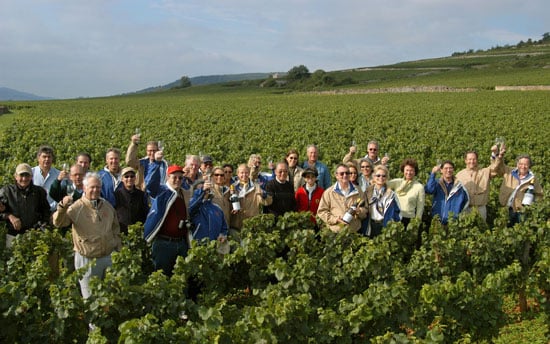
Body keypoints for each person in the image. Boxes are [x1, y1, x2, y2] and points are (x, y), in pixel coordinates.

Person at [52, 172, 121, 299]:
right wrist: (62, 207)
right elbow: (58, 223)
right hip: (87, 259)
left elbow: (115, 227)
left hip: (107, 257)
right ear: (84, 188)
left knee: (109, 296)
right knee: (90, 298)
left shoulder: (106, 206)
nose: (95, 190)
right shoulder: (76, 208)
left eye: (98, 187)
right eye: (92, 187)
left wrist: (116, 246)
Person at [143, 162, 191, 276]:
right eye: (174, 177)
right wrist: (156, 164)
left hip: (180, 243)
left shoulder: (184, 194)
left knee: (181, 276)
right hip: (164, 243)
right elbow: (150, 185)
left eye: (180, 178)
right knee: (161, 276)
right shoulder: (162, 191)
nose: (177, 180)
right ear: (168, 177)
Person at [0, 163, 50, 247]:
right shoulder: (6, 191)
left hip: (34, 235)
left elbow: (46, 211)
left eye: (27, 175)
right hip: (13, 236)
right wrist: (9, 216)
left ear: (31, 177)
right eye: (21, 175)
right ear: (15, 176)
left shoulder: (39, 192)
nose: (24, 178)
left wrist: (42, 226)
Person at [455, 146, 505, 221]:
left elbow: (496, 168)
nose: (472, 161)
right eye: (469, 159)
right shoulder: (459, 175)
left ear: (477, 160)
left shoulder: (485, 172)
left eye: (474, 159)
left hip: (480, 209)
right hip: (465, 209)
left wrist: (496, 154)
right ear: (465, 160)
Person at [317, 164, 367, 233]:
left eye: (347, 173)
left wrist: (359, 211)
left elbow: (365, 209)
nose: (345, 175)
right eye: (341, 174)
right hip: (336, 232)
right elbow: (322, 212)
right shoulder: (329, 192)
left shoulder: (358, 191)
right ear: (336, 176)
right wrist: (335, 219)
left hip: (354, 231)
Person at [498, 154, 543, 226]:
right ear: (517, 164)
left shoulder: (533, 179)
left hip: (521, 212)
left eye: (526, 164)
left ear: (529, 166)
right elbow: (498, 166)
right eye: (521, 164)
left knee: (519, 228)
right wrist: (499, 155)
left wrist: (532, 203)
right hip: (506, 208)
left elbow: (539, 194)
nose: (523, 166)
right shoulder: (509, 171)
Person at [425, 160, 469, 225]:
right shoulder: (437, 183)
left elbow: (466, 201)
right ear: (441, 170)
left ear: (453, 170)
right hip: (437, 220)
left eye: (450, 168)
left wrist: (459, 213)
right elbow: (429, 190)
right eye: (446, 168)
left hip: (454, 223)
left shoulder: (459, 186)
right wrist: (433, 174)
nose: (448, 170)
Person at [229, 164, 272, 231]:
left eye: (246, 172)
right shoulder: (232, 187)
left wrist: (264, 195)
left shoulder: (256, 187)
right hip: (236, 225)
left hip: (251, 224)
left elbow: (267, 202)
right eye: (242, 173)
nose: (244, 175)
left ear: (249, 173)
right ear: (237, 174)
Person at [387, 158, 425, 228]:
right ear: (403, 170)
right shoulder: (397, 182)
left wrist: (416, 222)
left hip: (409, 219)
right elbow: (383, 184)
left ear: (415, 172)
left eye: (411, 170)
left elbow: (420, 207)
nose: (409, 173)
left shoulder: (419, 187)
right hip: (395, 217)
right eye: (407, 170)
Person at [365, 165, 401, 238]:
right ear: (374, 177)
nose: (380, 178)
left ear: (386, 178)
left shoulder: (391, 194)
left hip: (384, 225)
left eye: (383, 176)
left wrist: (393, 225)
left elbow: (398, 211)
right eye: (378, 175)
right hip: (370, 225)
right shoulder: (368, 192)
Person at [114, 167, 149, 235]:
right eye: (126, 177)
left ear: (135, 178)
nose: (129, 179)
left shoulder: (141, 194)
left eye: (132, 176)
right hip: (121, 233)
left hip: (137, 233)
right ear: (122, 179)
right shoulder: (116, 194)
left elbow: (145, 212)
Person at [31, 144, 61, 211]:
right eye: (44, 157)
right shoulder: (31, 172)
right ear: (38, 158)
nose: (47, 159)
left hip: (53, 211)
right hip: (34, 211)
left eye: (49, 157)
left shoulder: (58, 174)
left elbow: (61, 195)